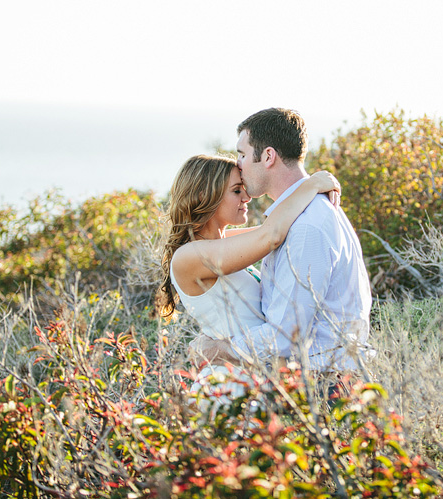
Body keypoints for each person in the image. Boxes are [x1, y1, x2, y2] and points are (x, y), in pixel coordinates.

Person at [194, 108, 373, 391]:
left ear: (267, 156)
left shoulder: (306, 226)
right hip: (317, 379)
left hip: (322, 384)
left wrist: (219, 349)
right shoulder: (305, 214)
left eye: (241, 154)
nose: (238, 165)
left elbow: (285, 335)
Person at [155, 153, 341, 410]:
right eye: (236, 190)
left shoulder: (220, 243)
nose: (247, 197)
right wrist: (311, 184)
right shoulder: (188, 256)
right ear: (202, 195)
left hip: (257, 381)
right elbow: (272, 234)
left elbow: (285, 225)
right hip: (230, 387)